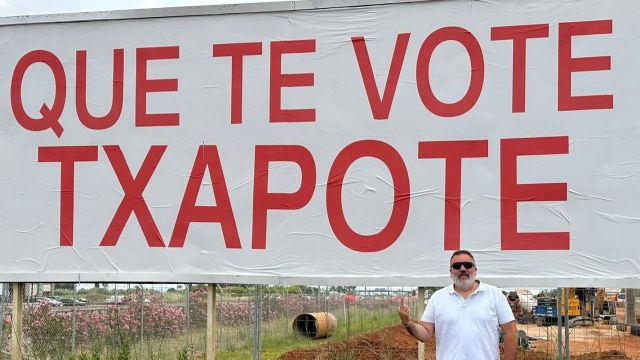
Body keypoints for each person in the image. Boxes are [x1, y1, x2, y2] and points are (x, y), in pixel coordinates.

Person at [398, 249, 516, 360]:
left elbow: (510, 331)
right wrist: (408, 322)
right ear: (451, 272)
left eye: (468, 265)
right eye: (457, 266)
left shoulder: (494, 294)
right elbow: (425, 334)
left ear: (475, 270)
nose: (463, 269)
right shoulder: (438, 298)